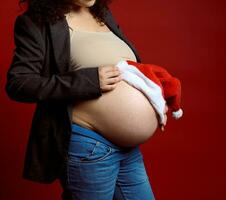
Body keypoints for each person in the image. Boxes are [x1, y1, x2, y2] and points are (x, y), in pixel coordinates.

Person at [5, 0, 168, 199]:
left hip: (128, 149)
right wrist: (88, 81)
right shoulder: (35, 23)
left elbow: (130, 68)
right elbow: (19, 83)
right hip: (89, 146)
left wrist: (154, 99)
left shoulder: (102, 14)